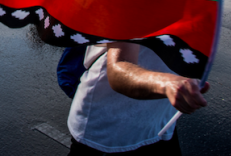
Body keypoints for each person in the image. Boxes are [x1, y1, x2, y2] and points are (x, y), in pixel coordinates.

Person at [67, 42, 209, 155]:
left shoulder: (203, 6)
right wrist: (167, 84)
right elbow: (118, 69)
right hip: (111, 128)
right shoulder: (132, 5)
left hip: (161, 119)